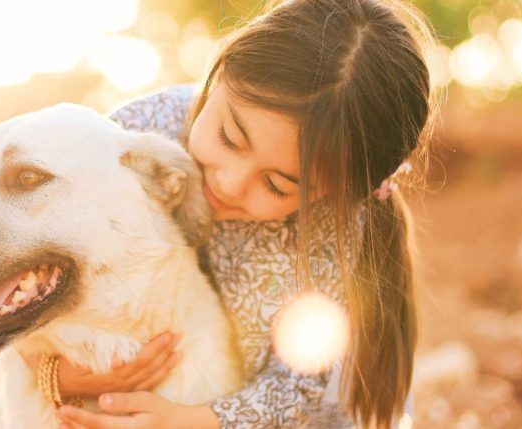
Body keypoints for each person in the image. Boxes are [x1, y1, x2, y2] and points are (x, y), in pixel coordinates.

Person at [41, 0, 437, 427]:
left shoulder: (331, 235)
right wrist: (53, 373)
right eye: (229, 138)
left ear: (336, 197)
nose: (229, 183)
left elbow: (298, 387)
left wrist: (192, 422)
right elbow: (35, 257)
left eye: (277, 185)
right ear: (222, 68)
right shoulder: (135, 138)